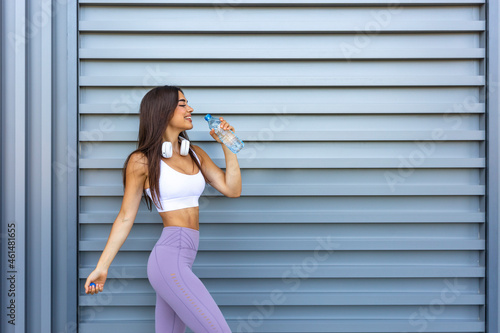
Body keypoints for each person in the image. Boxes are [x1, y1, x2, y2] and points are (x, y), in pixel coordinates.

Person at [84, 85, 241, 333]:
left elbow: (232, 189)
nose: (190, 109)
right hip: (168, 259)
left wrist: (227, 144)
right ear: (162, 112)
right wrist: (102, 267)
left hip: (184, 257)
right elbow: (125, 217)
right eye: (182, 104)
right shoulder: (142, 161)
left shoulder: (196, 154)